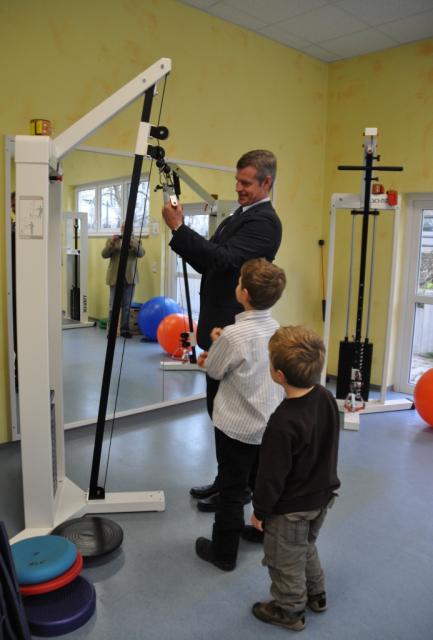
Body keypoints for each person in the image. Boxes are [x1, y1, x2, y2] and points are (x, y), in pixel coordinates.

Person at [162, 150, 282, 511]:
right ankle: (225, 481)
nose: (239, 188)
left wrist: (179, 229)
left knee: (235, 419)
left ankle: (238, 490)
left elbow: (223, 259)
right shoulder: (239, 216)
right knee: (219, 412)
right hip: (219, 328)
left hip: (234, 331)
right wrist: (183, 234)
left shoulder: (265, 223)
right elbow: (211, 259)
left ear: (266, 182)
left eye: (246, 183)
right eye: (237, 181)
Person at [194, 258, 286, 571]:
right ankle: (262, 531)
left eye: (238, 282)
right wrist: (222, 344)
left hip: (236, 428)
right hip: (269, 425)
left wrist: (211, 354)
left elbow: (215, 370)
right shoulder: (278, 330)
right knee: (261, 482)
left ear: (243, 293)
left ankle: (223, 553)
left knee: (232, 490)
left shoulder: (233, 335)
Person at [250, 326, 340, 632]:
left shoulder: (282, 423)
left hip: (290, 509)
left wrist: (260, 511)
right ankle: (317, 594)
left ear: (278, 375)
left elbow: (270, 478)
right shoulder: (325, 397)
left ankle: (289, 610)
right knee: (305, 546)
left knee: (284, 559)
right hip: (322, 496)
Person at [101, 223, 144, 338]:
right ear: (121, 229)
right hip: (115, 277)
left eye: (127, 228)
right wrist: (112, 243)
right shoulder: (113, 240)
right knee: (113, 306)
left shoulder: (136, 241)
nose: (125, 230)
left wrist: (132, 243)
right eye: (123, 228)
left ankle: (125, 330)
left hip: (129, 278)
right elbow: (104, 254)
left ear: (132, 229)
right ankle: (111, 330)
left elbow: (141, 253)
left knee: (127, 306)